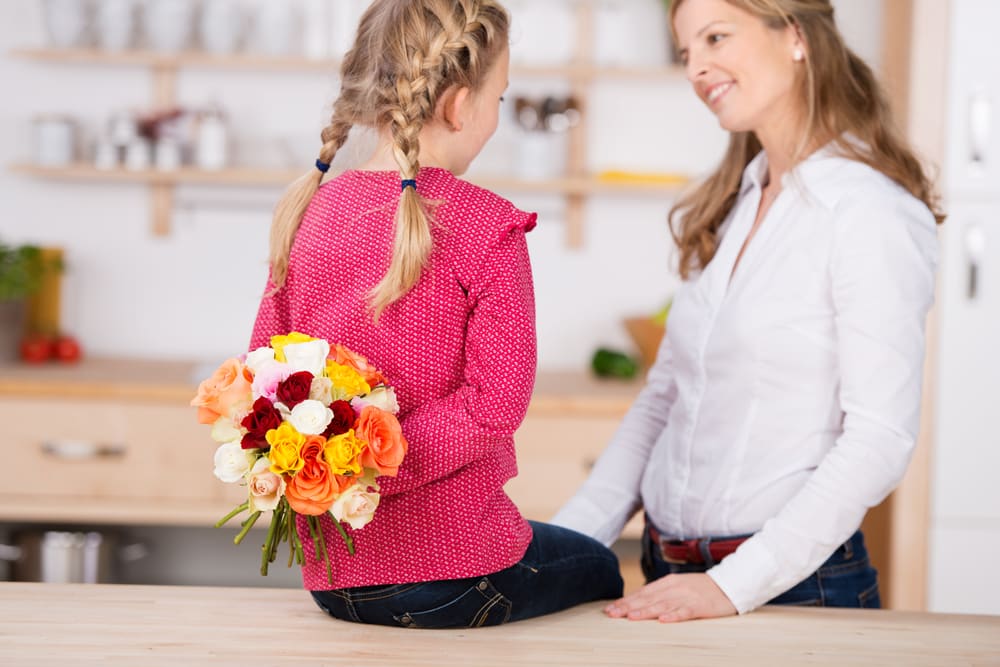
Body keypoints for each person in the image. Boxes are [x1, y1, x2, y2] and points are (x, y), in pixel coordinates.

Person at [552, 0, 942, 623]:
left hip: (791, 590)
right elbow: (664, 401)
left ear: (794, 36)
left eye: (715, 38)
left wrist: (731, 587)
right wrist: (563, 546)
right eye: (686, 53)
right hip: (668, 573)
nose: (697, 68)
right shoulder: (741, 201)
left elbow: (880, 438)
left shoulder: (868, 212)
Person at [249, 0, 623, 629]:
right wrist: (376, 465)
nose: (498, 116)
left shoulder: (309, 213)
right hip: (458, 577)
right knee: (601, 565)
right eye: (500, 98)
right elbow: (494, 405)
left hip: (337, 583)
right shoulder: (487, 225)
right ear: (458, 104)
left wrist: (347, 471)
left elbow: (263, 379)